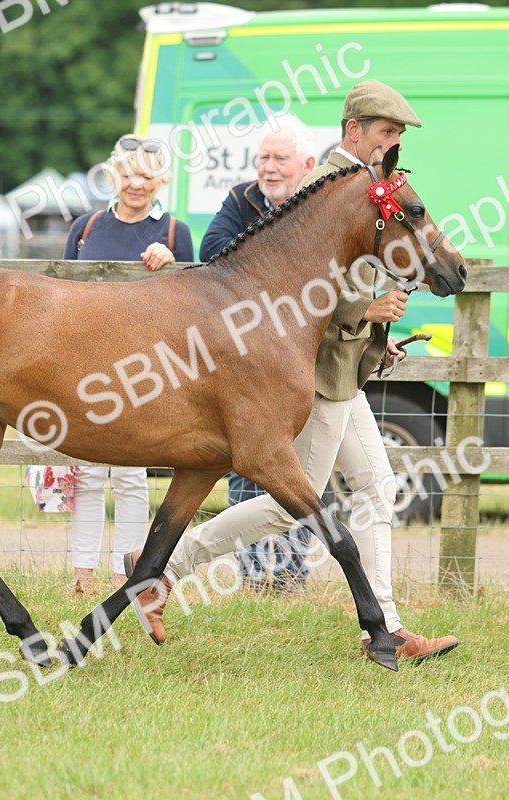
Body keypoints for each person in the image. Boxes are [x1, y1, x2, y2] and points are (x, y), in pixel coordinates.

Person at [126, 82, 460, 663]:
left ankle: (386, 628)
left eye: (398, 137)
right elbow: (291, 293)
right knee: (288, 504)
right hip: (317, 372)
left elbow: (349, 280)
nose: (392, 145)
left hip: (344, 367)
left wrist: (374, 336)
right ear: (353, 130)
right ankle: (160, 567)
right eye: (386, 134)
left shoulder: (366, 188)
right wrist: (364, 313)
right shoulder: (322, 186)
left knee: (377, 489)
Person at [62, 134, 194, 592]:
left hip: (145, 368)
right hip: (85, 361)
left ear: (161, 181)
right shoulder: (86, 226)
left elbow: (194, 300)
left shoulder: (175, 232)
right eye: (128, 173)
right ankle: (81, 575)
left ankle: (125, 573)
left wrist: (172, 261)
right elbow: (59, 295)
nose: (136, 184)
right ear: (113, 174)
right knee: (88, 473)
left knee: (133, 475)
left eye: (147, 175)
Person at [199, 116, 318, 594]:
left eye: (279, 158)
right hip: (243, 358)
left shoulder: (317, 207)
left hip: (296, 362)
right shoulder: (240, 199)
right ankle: (250, 576)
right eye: (264, 157)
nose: (268, 168)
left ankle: (289, 575)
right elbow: (214, 252)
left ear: (306, 165)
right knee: (245, 466)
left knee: (297, 470)